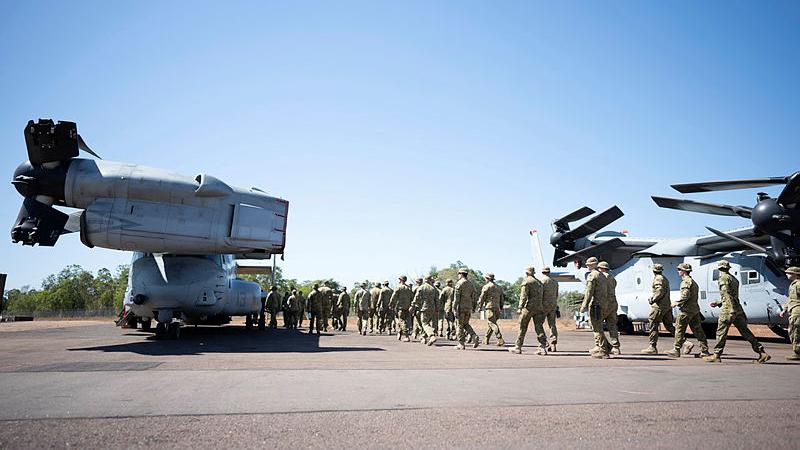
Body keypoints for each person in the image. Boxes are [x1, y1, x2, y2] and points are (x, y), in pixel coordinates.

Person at [704, 260, 770, 363]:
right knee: (745, 332)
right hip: (738, 309)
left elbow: (727, 294)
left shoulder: (723, 278)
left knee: (721, 332)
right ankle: (762, 352)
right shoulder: (734, 279)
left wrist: (730, 309)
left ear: (720, 269)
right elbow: (732, 296)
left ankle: (716, 355)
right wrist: (719, 302)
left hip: (729, 309)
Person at [665, 263, 710, 358]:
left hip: (686, 310)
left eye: (679, 269)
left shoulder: (685, 282)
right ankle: (704, 350)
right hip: (694, 310)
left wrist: (677, 302)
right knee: (698, 331)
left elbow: (685, 295)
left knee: (679, 329)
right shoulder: (693, 282)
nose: (678, 271)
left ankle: (676, 350)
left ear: (684, 271)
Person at [510, 267, 546, 355]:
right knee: (539, 327)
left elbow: (523, 296)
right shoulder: (539, 282)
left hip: (529, 308)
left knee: (522, 326)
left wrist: (520, 307)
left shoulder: (527, 281)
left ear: (526, 273)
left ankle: (518, 347)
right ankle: (543, 347)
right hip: (539, 307)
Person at [580, 257, 611, 358]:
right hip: (604, 304)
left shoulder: (592, 275)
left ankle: (603, 351)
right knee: (598, 326)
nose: (587, 266)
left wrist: (584, 305)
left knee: (597, 328)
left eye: (588, 264)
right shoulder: (602, 275)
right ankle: (606, 346)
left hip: (596, 305)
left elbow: (589, 292)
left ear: (593, 265)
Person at [641, 263, 675, 354]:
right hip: (667, 305)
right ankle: (685, 342)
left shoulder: (658, 279)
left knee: (653, 324)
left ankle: (652, 347)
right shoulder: (665, 278)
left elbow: (659, 291)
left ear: (653, 270)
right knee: (669, 326)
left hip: (659, 306)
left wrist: (653, 299)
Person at [597, 261, 621, 355]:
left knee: (596, 325)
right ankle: (616, 347)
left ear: (602, 269)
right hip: (613, 303)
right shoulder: (612, 278)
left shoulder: (602, 278)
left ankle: (603, 345)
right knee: (612, 326)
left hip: (604, 303)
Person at [453, 268, 479, 350]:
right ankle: (474, 336)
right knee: (466, 324)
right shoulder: (471, 284)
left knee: (459, 325)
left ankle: (461, 343)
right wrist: (474, 307)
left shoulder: (459, 284)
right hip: (468, 307)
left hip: (460, 308)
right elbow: (474, 297)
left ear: (461, 274)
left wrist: (454, 309)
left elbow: (456, 299)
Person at [479, 273, 505, 347]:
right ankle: (486, 339)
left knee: (492, 323)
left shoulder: (486, 287)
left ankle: (500, 339)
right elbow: (502, 299)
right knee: (492, 324)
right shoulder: (499, 287)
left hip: (489, 307)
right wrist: (501, 306)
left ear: (488, 279)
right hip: (497, 307)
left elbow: (482, 297)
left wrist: (480, 306)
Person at [412, 275, 439, 345]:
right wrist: (437, 309)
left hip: (424, 308)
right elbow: (437, 300)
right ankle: (423, 337)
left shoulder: (421, 287)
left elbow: (416, 297)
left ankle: (432, 335)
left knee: (424, 323)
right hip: (432, 308)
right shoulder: (434, 288)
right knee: (427, 323)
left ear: (425, 280)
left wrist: (412, 306)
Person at [780, 266, 800, 361]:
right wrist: (784, 309)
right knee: (793, 331)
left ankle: (797, 353)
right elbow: (790, 299)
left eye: (789, 273)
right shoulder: (793, 284)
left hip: (798, 311)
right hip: (793, 310)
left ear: (795, 274)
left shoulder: (798, 284)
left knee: (795, 332)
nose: (787, 274)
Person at [540, 267, 559, 352]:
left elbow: (540, 294)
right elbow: (556, 295)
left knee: (539, 325)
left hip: (543, 306)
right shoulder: (555, 282)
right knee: (552, 325)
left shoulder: (541, 281)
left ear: (542, 272)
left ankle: (545, 342)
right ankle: (553, 344)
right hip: (553, 306)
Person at [391, 275, 413, 342]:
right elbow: (412, 297)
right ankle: (399, 332)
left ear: (400, 280)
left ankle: (406, 336)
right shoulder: (409, 288)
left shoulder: (398, 287)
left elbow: (394, 297)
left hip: (400, 307)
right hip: (407, 307)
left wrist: (391, 304)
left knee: (401, 321)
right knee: (405, 320)